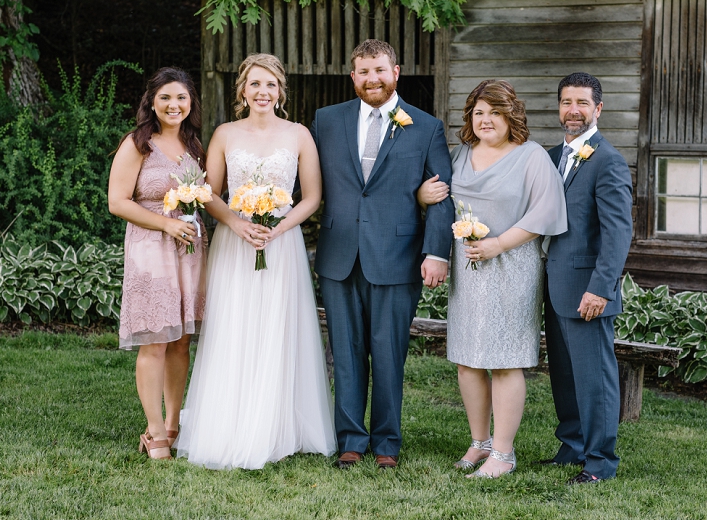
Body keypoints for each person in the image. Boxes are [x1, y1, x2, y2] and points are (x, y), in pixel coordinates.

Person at [176, 53, 336, 470]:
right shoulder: (225, 134)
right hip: (235, 242)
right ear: (242, 90)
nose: (263, 92)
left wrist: (277, 229)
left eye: (271, 85)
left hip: (281, 245)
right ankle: (229, 423)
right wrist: (238, 223)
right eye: (255, 84)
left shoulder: (300, 134)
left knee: (278, 327)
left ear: (281, 91)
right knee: (235, 325)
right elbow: (209, 192)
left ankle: (278, 425)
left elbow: (313, 197)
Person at [312, 40, 454, 469]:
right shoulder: (326, 121)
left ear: (396, 71)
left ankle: (387, 443)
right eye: (363, 71)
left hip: (398, 256)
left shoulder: (426, 127)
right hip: (339, 255)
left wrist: (437, 252)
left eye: (379, 70)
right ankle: (351, 440)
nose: (372, 79)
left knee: (389, 353)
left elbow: (443, 194)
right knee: (346, 350)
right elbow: (305, 179)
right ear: (352, 76)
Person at [418, 80, 567, 478]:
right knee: (467, 359)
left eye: (495, 112)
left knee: (504, 360)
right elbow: (441, 198)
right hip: (469, 268)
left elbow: (545, 213)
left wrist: (499, 244)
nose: (486, 120)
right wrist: (421, 197)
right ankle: (479, 442)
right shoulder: (460, 153)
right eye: (479, 112)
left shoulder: (531, 157)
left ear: (511, 116)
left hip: (511, 266)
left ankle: (503, 452)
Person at [109, 68, 207, 459]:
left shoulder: (195, 146)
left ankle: (173, 423)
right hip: (150, 248)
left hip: (189, 252)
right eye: (166, 97)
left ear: (190, 103)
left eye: (181, 97)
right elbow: (118, 202)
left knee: (181, 341)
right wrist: (166, 223)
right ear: (152, 101)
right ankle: (153, 431)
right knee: (155, 340)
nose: (174, 105)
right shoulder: (137, 144)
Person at [543, 72, 633, 484]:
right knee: (565, 374)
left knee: (594, 377)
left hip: (587, 290)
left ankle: (599, 463)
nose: (573, 111)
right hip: (555, 285)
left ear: (598, 108)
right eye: (566, 102)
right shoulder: (551, 156)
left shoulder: (608, 161)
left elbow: (618, 231)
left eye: (582, 103)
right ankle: (573, 446)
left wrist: (601, 287)